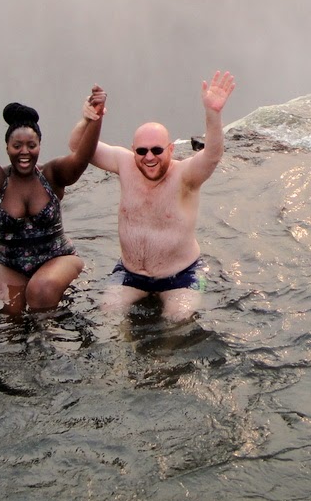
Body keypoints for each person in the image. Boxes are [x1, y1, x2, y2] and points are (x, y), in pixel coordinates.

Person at [69, 71, 235, 323]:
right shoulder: (124, 163)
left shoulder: (186, 175)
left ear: (170, 149)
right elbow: (77, 147)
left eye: (157, 150)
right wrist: (86, 119)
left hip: (183, 275)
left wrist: (213, 113)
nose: (149, 157)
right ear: (133, 150)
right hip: (130, 273)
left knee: (178, 319)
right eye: (142, 151)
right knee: (109, 313)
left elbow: (212, 155)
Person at [0, 87, 106, 315]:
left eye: (31, 146)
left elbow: (81, 158)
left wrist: (96, 117)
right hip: (9, 265)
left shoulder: (52, 175)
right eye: (17, 146)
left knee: (40, 290)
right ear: (7, 148)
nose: (24, 152)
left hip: (58, 258)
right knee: (11, 306)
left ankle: (48, 335)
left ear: (39, 146)